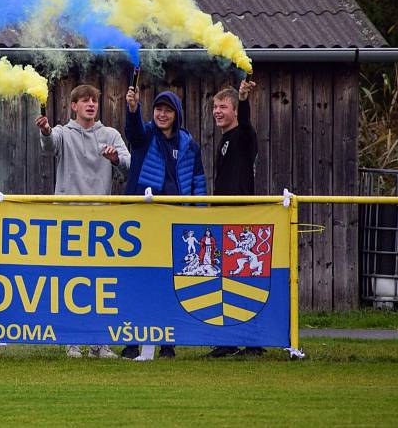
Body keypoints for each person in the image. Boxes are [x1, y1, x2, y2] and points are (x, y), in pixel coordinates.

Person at [35, 84, 131, 359]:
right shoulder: (64, 133)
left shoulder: (110, 134)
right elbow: (49, 144)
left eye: (94, 101)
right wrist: (44, 131)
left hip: (100, 220)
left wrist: (115, 160)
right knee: (70, 284)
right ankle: (72, 341)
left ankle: (98, 344)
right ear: (73, 106)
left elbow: (127, 162)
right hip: (68, 219)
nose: (90, 105)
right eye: (85, 101)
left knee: (99, 284)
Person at [122, 86, 207, 360]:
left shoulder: (189, 144)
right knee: (137, 281)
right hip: (142, 219)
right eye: (158, 109)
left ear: (176, 114)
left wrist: (199, 215)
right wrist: (133, 109)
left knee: (170, 282)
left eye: (167, 110)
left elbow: (198, 183)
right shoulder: (145, 135)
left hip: (176, 221)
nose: (161, 114)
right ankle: (131, 343)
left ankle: (168, 342)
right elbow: (132, 133)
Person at [207, 78, 265, 358]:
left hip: (241, 220)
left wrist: (243, 98)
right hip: (223, 217)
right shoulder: (224, 141)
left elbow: (245, 124)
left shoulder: (244, 135)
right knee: (226, 282)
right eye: (215, 107)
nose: (218, 111)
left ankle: (253, 343)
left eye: (223, 106)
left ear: (236, 111)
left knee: (245, 281)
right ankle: (229, 341)